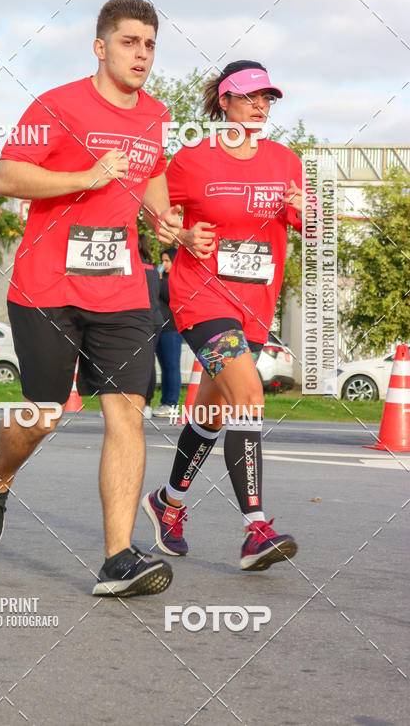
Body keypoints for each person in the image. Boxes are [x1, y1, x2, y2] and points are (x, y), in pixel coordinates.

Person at [0, 0, 181, 597]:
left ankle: (118, 559)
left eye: (149, 45)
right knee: (43, 414)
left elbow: (152, 173)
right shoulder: (56, 105)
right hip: (47, 288)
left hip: (122, 288)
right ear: (100, 46)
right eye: (129, 42)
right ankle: (0, 475)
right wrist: (85, 177)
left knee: (127, 411)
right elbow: (6, 176)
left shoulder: (155, 115)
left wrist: (164, 219)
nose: (141, 54)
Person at [142, 59, 307, 571]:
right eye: (250, 96)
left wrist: (309, 211)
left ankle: (168, 502)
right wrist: (181, 233)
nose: (260, 106)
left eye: (267, 98)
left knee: (213, 413)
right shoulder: (193, 160)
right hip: (202, 297)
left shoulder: (285, 161)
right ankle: (256, 529)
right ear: (225, 101)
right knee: (249, 395)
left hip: (255, 304)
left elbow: (309, 225)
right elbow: (153, 211)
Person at [152, 247, 183, 417]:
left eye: (167, 261)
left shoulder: (175, 279)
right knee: (164, 366)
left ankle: (172, 403)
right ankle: (165, 401)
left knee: (172, 366)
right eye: (162, 261)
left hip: (172, 329)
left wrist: (158, 281)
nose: (163, 264)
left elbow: (171, 296)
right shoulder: (162, 278)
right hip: (159, 327)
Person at [138, 232, 163, 418]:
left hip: (139, 319)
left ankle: (133, 403)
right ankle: (146, 403)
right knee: (149, 361)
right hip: (155, 319)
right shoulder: (153, 268)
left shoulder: (132, 268)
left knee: (126, 363)